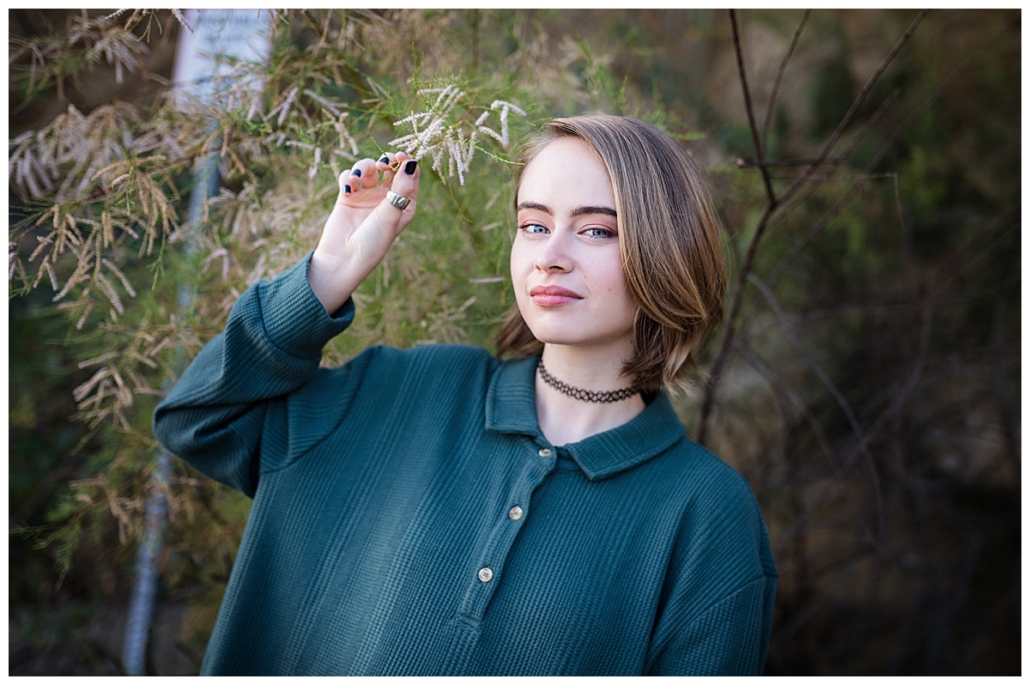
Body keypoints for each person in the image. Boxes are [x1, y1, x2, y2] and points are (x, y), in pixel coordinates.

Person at [153, 114, 777, 676]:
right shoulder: (400, 393)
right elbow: (199, 420)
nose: (549, 257)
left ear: (666, 251)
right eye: (533, 225)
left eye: (595, 232)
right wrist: (328, 276)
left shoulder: (705, 513)